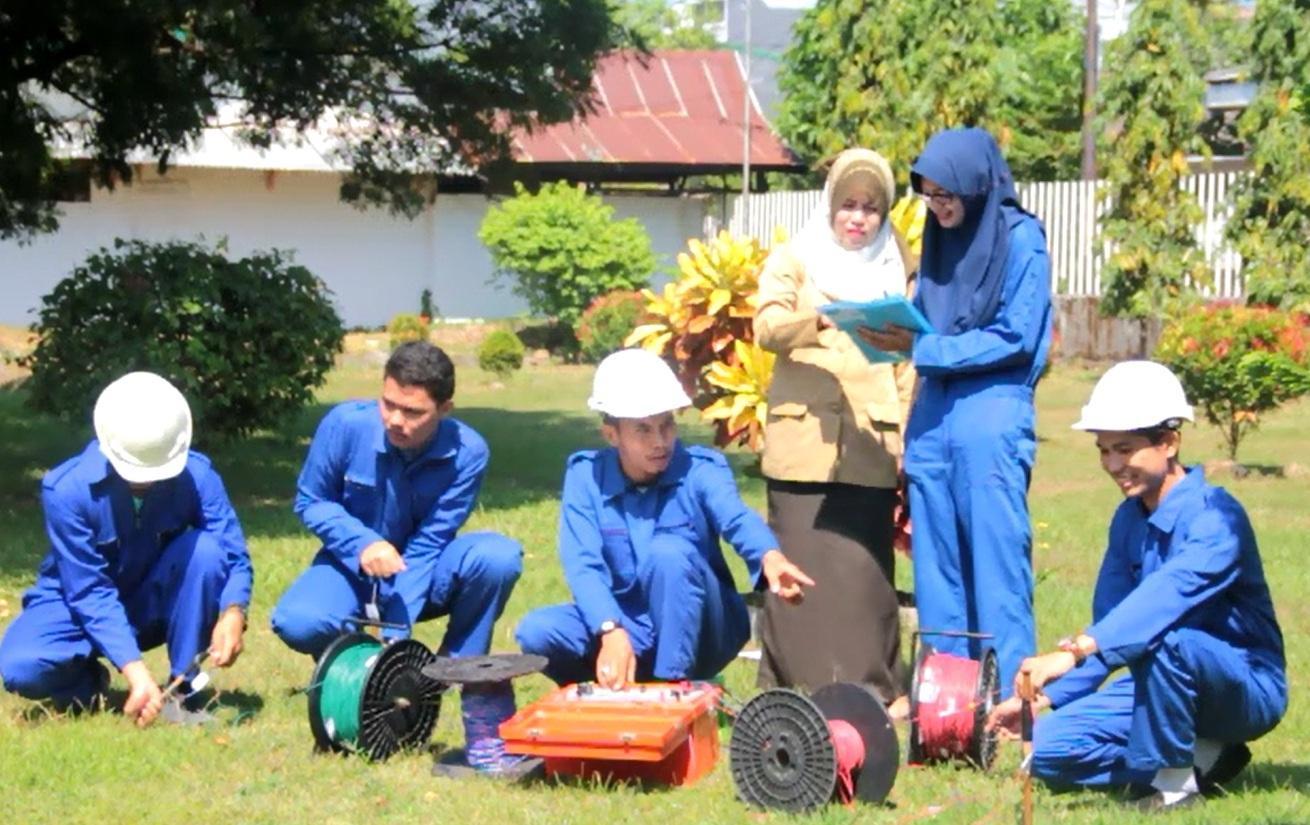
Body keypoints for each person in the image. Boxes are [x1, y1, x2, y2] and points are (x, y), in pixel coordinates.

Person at [989, 361, 1286, 811]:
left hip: (1243, 687)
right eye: (1103, 450)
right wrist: (1046, 698)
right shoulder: (1128, 519)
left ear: (1169, 442)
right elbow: (1111, 626)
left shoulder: (1217, 518)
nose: (1112, 465)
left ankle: (1175, 787)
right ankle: (1203, 756)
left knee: (1166, 638)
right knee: (1041, 752)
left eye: (1124, 450)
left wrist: (1069, 653)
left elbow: (1163, 599)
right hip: (1159, 682)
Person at [862, 127, 1053, 692]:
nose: (939, 206)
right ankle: (946, 699)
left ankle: (1011, 698)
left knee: (996, 565)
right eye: (929, 194)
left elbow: (1017, 336)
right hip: (932, 421)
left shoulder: (1022, 241)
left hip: (991, 417)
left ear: (976, 186)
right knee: (936, 570)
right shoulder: (938, 243)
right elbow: (923, 315)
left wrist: (926, 349)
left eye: (948, 194)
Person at [515, 349, 813, 688]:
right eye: (643, 430)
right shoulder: (586, 477)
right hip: (628, 621)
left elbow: (735, 516)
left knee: (668, 552)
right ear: (612, 436)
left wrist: (768, 555)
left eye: (667, 425)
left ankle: (673, 689)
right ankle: (604, 695)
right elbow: (583, 564)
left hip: (702, 625)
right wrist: (610, 629)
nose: (660, 442)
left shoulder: (700, 469)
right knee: (537, 631)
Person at [751, 148, 915, 710]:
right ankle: (791, 689)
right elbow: (766, 327)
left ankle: (875, 691)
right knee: (799, 570)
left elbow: (910, 365)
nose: (858, 217)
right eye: (848, 204)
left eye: (871, 208)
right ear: (830, 206)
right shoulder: (795, 258)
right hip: (803, 444)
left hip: (871, 444)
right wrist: (814, 320)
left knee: (864, 577)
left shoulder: (900, 266)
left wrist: (907, 442)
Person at [0, 372, 252, 727]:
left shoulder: (199, 476)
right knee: (21, 667)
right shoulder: (66, 489)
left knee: (207, 551)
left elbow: (233, 553)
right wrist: (134, 671)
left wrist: (233, 611)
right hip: (73, 603)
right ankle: (88, 682)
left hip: (149, 601)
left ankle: (183, 689)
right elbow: (88, 589)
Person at [271, 341, 522, 660]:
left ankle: (456, 666)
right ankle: (356, 671)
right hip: (349, 566)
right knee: (299, 621)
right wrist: (363, 544)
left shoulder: (469, 453)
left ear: (445, 410)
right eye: (388, 404)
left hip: (425, 571)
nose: (395, 420)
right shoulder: (344, 425)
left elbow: (430, 542)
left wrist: (395, 634)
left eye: (413, 412)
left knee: (496, 558)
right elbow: (312, 500)